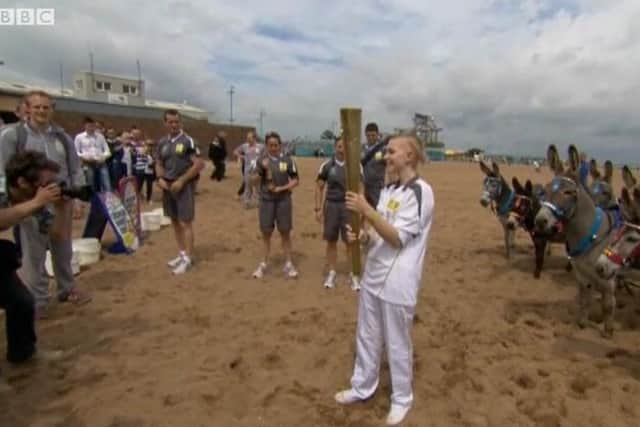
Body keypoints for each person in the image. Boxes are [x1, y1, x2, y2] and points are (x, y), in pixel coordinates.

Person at [335, 133, 434, 426]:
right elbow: (379, 232)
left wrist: (365, 209)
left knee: (396, 343)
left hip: (398, 282)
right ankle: (362, 386)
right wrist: (363, 236)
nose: (386, 157)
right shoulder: (390, 189)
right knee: (366, 335)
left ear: (410, 157)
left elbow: (398, 238)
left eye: (392, 152)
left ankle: (402, 399)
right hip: (373, 275)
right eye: (386, 152)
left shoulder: (422, 192)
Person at [0, 90, 91, 318]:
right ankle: (38, 299)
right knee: (34, 251)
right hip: (29, 200)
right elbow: (4, 170)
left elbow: (75, 167)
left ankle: (67, 288)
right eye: (37, 106)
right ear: (27, 109)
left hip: (62, 199)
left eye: (46, 107)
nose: (41, 110)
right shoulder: (14, 136)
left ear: (52, 109)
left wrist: (76, 196)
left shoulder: (62, 138)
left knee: (63, 246)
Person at [0, 150, 68, 393]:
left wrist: (61, 208)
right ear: (21, 182)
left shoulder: (35, 200)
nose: (48, 189)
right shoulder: (3, 190)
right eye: (43, 184)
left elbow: (57, 234)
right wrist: (36, 203)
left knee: (21, 302)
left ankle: (23, 353)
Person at [155, 109, 204, 275]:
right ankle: (182, 253)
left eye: (177, 122)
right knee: (174, 221)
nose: (174, 125)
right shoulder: (162, 143)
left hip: (183, 186)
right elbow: (159, 162)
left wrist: (182, 180)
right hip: (168, 187)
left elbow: (198, 164)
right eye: (171, 122)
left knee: (186, 222)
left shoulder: (188, 141)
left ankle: (188, 258)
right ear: (165, 123)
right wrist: (159, 178)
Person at [250, 131, 299, 279]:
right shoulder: (261, 161)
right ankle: (263, 263)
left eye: (276, 145)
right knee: (266, 234)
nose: (273, 148)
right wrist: (262, 171)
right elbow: (252, 181)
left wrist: (282, 188)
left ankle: (288, 263)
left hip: (283, 200)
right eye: (270, 145)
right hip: (266, 201)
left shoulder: (287, 160)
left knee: (285, 233)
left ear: (280, 145)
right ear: (266, 146)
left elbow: (295, 180)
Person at [315, 136, 361, 290]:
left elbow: (362, 188)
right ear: (335, 147)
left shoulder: (355, 166)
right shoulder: (327, 166)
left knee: (350, 241)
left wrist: (360, 209)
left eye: (344, 146)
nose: (342, 149)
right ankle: (332, 272)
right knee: (331, 241)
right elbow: (319, 187)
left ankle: (353, 274)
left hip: (349, 207)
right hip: (332, 206)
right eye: (339, 146)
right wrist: (318, 209)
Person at [74, 117, 112, 192]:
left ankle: (109, 200)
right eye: (89, 126)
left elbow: (107, 151)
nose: (91, 128)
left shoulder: (100, 137)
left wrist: (103, 157)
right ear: (85, 126)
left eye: (93, 126)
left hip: (101, 163)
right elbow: (76, 152)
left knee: (107, 184)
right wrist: (84, 157)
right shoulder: (79, 137)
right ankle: (92, 200)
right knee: (91, 184)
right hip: (88, 163)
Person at [234, 130, 265, 209]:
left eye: (249, 138)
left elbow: (266, 155)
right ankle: (247, 202)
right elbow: (235, 151)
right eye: (247, 138)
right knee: (248, 187)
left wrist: (262, 162)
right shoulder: (244, 146)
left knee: (258, 187)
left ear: (254, 138)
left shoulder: (261, 146)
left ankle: (259, 202)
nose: (248, 139)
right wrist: (241, 156)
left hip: (257, 170)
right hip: (247, 170)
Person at [361, 122, 387, 209]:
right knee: (360, 211)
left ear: (377, 134)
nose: (371, 138)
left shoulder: (383, 149)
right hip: (363, 186)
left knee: (379, 211)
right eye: (368, 135)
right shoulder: (361, 148)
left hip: (377, 187)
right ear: (365, 135)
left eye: (373, 135)